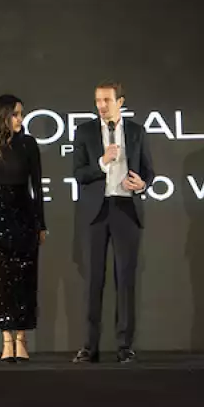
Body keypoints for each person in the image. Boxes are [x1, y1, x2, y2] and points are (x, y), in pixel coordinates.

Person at [71, 81, 154, 363]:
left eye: (107, 100)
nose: (101, 106)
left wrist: (142, 184)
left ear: (120, 102)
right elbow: (78, 174)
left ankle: (124, 346)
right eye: (98, 100)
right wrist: (102, 162)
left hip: (126, 210)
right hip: (96, 212)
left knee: (126, 280)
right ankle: (89, 346)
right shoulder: (84, 132)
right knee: (93, 280)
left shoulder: (136, 131)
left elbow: (149, 171)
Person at [0, 94, 46, 362]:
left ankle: (22, 340)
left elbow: (37, 187)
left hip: (24, 213)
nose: (20, 119)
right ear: (2, 116)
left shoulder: (29, 144)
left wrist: (41, 224)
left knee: (25, 278)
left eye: (21, 114)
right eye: (15, 114)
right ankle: (6, 341)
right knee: (0, 281)